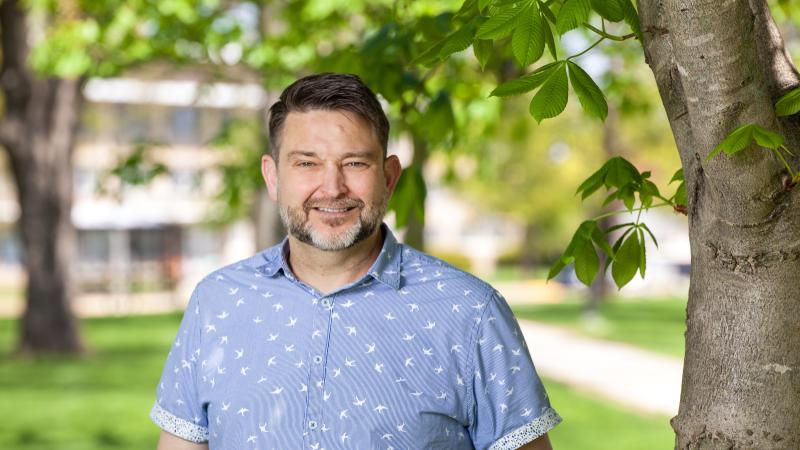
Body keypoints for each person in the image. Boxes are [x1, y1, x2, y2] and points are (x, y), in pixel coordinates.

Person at [151, 72, 561, 450]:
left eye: (355, 163)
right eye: (307, 163)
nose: (332, 187)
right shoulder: (216, 302)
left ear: (389, 177)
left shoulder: (471, 312)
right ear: (273, 177)